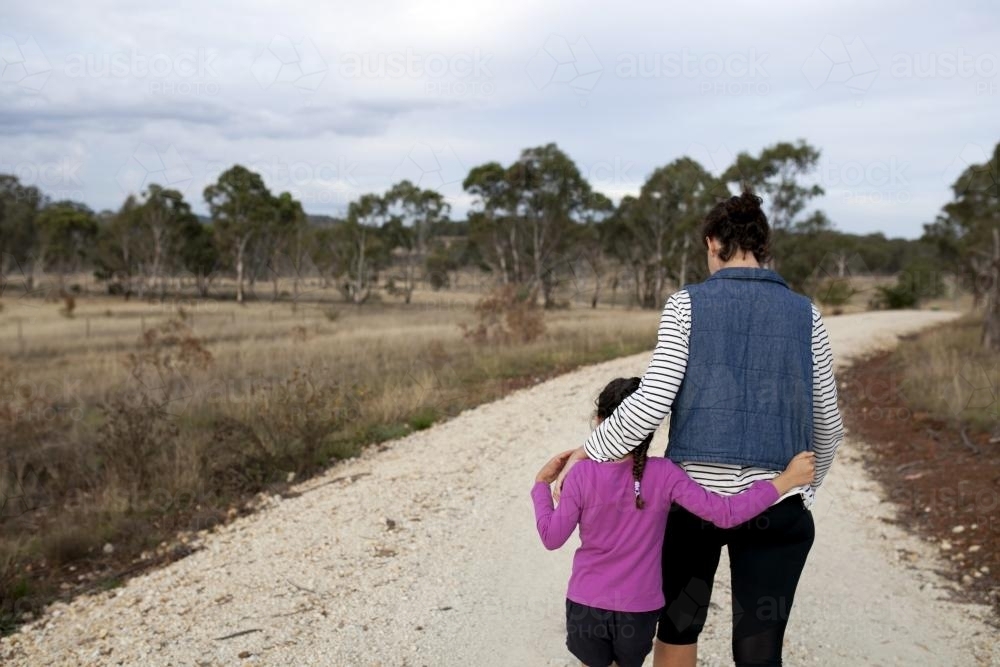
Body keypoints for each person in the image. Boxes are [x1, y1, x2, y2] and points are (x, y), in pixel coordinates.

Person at [556, 190, 846, 667]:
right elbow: (828, 423)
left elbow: (652, 401)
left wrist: (590, 451)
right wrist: (805, 488)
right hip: (776, 505)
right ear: (763, 246)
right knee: (759, 646)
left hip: (694, 508)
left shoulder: (686, 304)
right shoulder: (806, 313)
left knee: (679, 624)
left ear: (712, 243)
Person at [532, 376, 817, 667]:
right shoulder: (664, 474)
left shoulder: (580, 475)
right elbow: (726, 514)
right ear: (650, 427)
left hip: (586, 606)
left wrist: (541, 484)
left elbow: (551, 537)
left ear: (598, 421)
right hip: (639, 610)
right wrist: (783, 482)